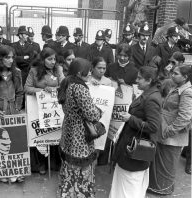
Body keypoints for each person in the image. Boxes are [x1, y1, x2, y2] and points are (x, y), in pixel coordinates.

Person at [110, 66, 162, 198]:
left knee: (130, 184)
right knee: (127, 183)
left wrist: (130, 118)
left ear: (149, 80)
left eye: (139, 78)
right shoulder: (147, 94)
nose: (136, 80)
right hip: (131, 146)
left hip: (136, 150)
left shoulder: (152, 99)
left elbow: (153, 126)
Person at [57, 58, 102, 197]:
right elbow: (92, 114)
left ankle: (67, 191)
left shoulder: (66, 82)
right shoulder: (80, 88)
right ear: (78, 72)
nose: (90, 73)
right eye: (88, 71)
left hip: (68, 130)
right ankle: (80, 193)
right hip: (80, 134)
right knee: (81, 165)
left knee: (68, 164)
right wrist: (99, 111)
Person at [148, 64, 192, 195]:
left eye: (176, 73)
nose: (172, 75)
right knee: (160, 164)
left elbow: (185, 118)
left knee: (166, 166)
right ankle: (157, 188)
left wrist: (168, 131)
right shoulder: (177, 87)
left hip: (172, 136)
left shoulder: (187, 92)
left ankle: (162, 191)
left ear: (185, 77)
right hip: (164, 133)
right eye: (172, 72)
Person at [0, 45, 24, 183]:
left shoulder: (17, 72)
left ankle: (16, 170)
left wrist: (18, 108)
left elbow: (20, 92)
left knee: (13, 139)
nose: (11, 60)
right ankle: (2, 171)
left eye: (12, 57)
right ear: (0, 58)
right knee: (1, 140)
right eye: (8, 57)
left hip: (13, 109)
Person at [25, 47, 63, 174]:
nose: (53, 62)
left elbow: (64, 85)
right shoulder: (34, 71)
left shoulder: (58, 69)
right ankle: (41, 164)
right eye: (49, 59)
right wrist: (42, 91)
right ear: (42, 60)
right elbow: (27, 88)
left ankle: (54, 163)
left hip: (54, 110)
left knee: (54, 135)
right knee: (41, 136)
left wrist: (54, 89)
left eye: (54, 59)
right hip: (38, 109)